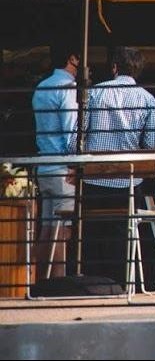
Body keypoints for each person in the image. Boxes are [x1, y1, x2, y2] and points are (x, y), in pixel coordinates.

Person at [82, 46, 155, 285]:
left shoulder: (95, 92)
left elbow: (79, 132)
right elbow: (152, 141)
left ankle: (93, 283)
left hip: (94, 176)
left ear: (114, 67)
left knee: (93, 232)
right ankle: (120, 283)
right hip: (128, 178)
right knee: (123, 233)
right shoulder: (147, 98)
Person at [31, 42, 80, 280]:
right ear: (72, 59)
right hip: (63, 166)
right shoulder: (68, 87)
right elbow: (71, 130)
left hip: (44, 163)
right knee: (63, 229)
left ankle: (39, 279)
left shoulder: (42, 87)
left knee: (47, 227)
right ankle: (58, 283)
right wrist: (75, 163)